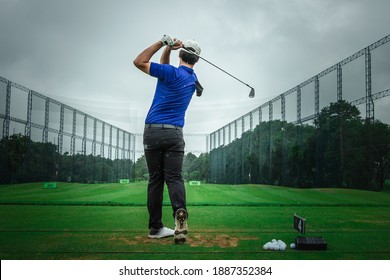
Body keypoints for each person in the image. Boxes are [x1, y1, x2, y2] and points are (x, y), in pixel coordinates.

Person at [133, 35, 201, 244]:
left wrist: (162, 43)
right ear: (195, 60)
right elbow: (166, 69)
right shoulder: (192, 80)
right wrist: (169, 50)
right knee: (174, 178)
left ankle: (156, 228)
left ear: (181, 54)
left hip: (152, 132)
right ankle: (179, 213)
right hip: (174, 134)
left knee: (155, 179)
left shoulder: (170, 73)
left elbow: (139, 62)